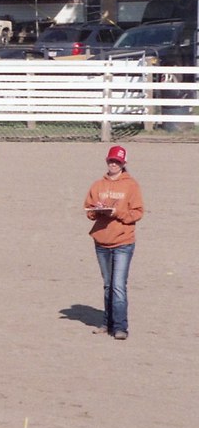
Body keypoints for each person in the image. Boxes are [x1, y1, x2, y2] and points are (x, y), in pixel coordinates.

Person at [83, 145, 143, 340]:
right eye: (111, 160)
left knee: (118, 285)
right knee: (108, 285)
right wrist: (97, 210)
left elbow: (137, 213)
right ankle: (107, 323)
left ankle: (120, 327)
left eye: (117, 161)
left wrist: (116, 212)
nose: (113, 164)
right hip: (101, 242)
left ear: (123, 164)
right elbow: (89, 210)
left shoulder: (131, 185)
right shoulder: (98, 185)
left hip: (123, 242)